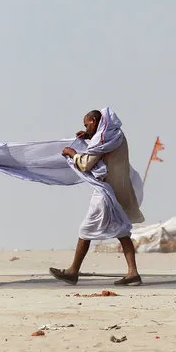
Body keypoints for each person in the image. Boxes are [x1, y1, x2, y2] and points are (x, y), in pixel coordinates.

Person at [50, 108, 145, 286]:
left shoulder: (102, 138)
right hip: (119, 188)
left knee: (86, 230)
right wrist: (88, 136)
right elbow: (104, 151)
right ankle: (133, 273)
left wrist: (71, 153)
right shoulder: (116, 133)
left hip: (105, 191)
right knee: (122, 230)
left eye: (87, 125)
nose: (86, 128)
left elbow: (86, 164)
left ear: (94, 121)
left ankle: (72, 272)